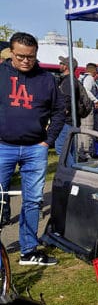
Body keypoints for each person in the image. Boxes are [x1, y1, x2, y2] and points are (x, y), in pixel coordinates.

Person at [0, 32, 65, 265]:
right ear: (11, 53)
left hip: (35, 149)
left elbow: (59, 111)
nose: (26, 61)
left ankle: (28, 250)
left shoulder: (46, 79)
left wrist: (48, 141)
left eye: (31, 57)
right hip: (3, 147)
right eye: (20, 56)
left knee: (33, 200)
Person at [54, 56, 83, 167]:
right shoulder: (71, 80)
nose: (59, 65)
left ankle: (72, 172)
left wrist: (59, 116)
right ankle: (73, 171)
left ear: (66, 66)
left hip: (66, 121)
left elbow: (66, 102)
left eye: (61, 63)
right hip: (71, 120)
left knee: (61, 148)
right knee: (70, 149)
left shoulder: (68, 82)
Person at [77, 62, 98, 157]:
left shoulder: (81, 78)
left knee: (84, 130)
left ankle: (83, 151)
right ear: (94, 70)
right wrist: (96, 100)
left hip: (83, 109)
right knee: (88, 130)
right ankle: (86, 153)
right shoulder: (89, 79)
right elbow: (86, 90)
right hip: (88, 109)